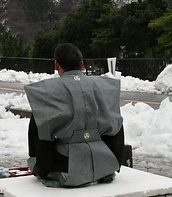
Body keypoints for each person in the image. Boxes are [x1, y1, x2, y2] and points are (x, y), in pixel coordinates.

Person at [24, 43, 124, 188]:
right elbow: (115, 125)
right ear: (82, 64)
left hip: (66, 163)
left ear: (56, 64)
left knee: (39, 118)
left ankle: (46, 170)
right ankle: (106, 168)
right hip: (104, 160)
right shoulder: (105, 85)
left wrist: (42, 167)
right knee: (116, 117)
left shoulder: (46, 91)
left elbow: (42, 136)